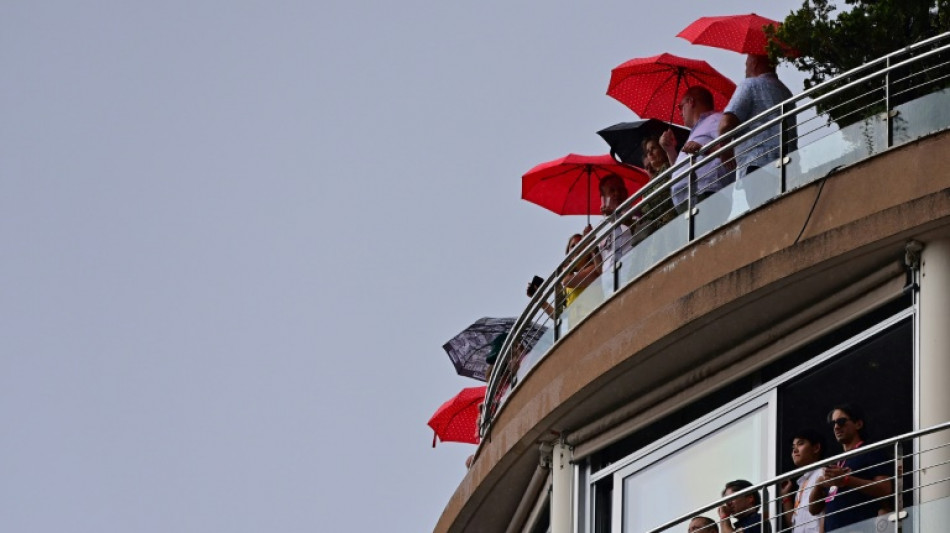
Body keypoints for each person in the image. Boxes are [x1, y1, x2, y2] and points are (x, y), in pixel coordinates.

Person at [808, 404, 892, 532]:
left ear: (858, 424)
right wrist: (819, 484)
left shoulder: (871, 451)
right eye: (833, 423)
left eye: (841, 421)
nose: (836, 427)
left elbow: (885, 489)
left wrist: (846, 480)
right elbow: (813, 510)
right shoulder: (837, 462)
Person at [718, 54, 794, 180]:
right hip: (789, 164)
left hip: (757, 163)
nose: (745, 69)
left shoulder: (750, 84)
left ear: (754, 63)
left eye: (746, 64)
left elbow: (726, 124)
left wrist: (725, 150)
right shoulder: (786, 92)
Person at [660, 86, 732, 212]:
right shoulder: (697, 131)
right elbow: (682, 170)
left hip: (706, 192)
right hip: (690, 199)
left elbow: (731, 145)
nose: (680, 113)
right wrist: (670, 150)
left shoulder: (715, 119)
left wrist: (704, 149)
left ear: (690, 101)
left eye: (680, 107)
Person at [780, 429, 825, 533]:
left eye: (800, 444)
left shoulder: (823, 474)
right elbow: (794, 524)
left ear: (816, 448)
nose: (795, 450)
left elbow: (826, 512)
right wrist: (786, 497)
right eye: (793, 447)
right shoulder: (802, 483)